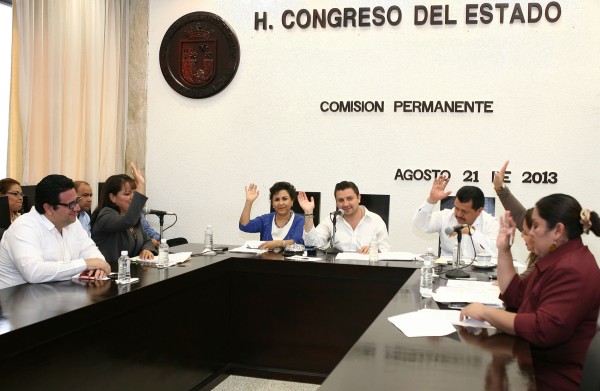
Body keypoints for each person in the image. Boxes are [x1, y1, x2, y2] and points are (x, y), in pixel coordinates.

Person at [460, 194, 600, 390]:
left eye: (535, 225)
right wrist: (504, 249)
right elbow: (515, 295)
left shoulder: (572, 268)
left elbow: (542, 329)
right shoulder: (557, 260)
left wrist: (486, 312)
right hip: (536, 365)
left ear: (558, 231)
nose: (530, 232)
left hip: (554, 378)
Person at [0, 175, 111, 289]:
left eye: (76, 201)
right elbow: (33, 272)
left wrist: (98, 267)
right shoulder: (24, 227)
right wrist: (85, 264)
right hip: (18, 300)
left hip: (58, 294)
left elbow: (90, 249)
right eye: (71, 204)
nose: (77, 208)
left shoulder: (72, 220)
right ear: (48, 208)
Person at [412, 176, 498, 258]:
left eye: (464, 211)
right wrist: (431, 201)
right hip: (447, 270)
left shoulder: (491, 223)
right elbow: (421, 225)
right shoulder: (445, 217)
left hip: (479, 272)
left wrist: (472, 232)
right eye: (456, 208)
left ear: (479, 210)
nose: (458, 214)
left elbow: (495, 252)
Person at [299, 181, 391, 253]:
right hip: (338, 272)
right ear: (336, 202)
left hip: (368, 272)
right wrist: (308, 212)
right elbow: (312, 244)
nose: (345, 204)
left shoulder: (376, 220)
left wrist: (375, 250)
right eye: (341, 200)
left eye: (350, 199)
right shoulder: (332, 219)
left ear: (359, 198)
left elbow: (386, 250)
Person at [91, 163, 156, 264]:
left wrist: (147, 249)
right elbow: (128, 221)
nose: (132, 197)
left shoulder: (133, 217)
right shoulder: (105, 216)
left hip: (131, 273)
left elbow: (147, 241)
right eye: (127, 194)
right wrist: (141, 185)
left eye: (134, 193)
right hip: (109, 274)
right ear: (112, 197)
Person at [493, 160, 538, 275]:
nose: (522, 234)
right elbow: (519, 215)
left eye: (526, 233)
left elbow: (516, 288)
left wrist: (504, 251)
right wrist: (499, 187)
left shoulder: (545, 262)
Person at [239, 182, 304, 250]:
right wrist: (249, 202)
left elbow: (298, 241)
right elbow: (244, 226)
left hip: (289, 260)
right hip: (265, 259)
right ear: (272, 203)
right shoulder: (265, 220)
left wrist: (278, 244)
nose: (281, 203)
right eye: (276, 200)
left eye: (284, 199)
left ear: (292, 201)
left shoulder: (300, 221)